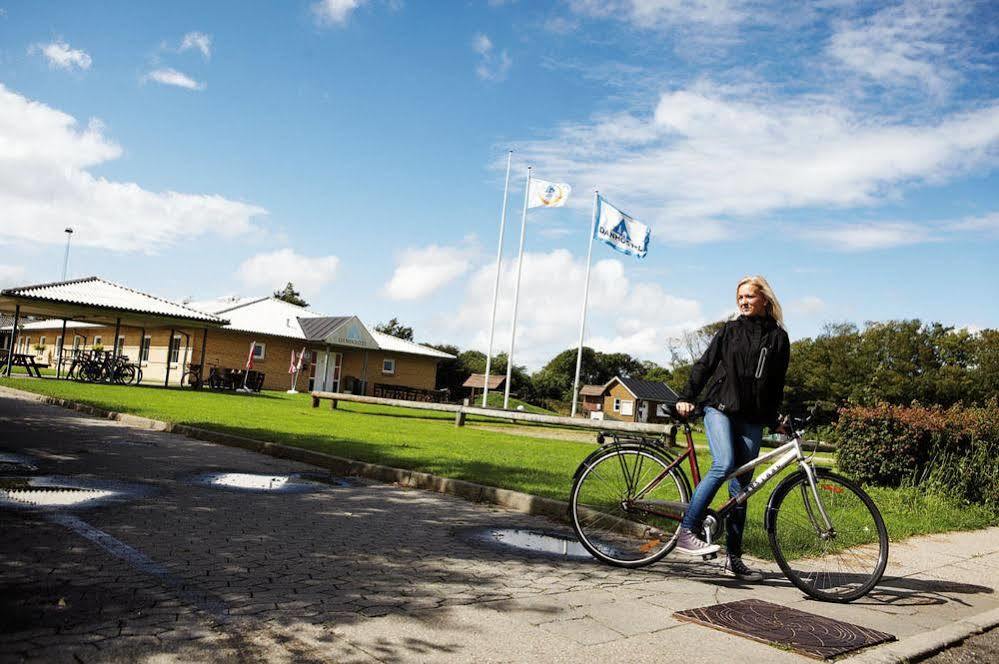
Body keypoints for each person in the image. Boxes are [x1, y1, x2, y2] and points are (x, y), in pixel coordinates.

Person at [673, 275, 790, 581]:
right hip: (720, 408)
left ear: (765, 299)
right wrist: (687, 396)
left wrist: (776, 417)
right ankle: (688, 530)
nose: (743, 302)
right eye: (740, 297)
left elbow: (776, 385)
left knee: (742, 490)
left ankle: (733, 559)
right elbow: (705, 364)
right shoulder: (730, 331)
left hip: (752, 419)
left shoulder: (779, 338)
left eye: (749, 296)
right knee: (724, 463)